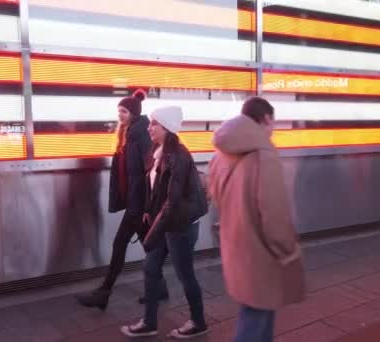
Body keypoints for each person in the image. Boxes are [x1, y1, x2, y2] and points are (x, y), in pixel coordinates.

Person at [208, 97, 305, 342]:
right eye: (273, 123)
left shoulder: (221, 153)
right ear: (266, 119)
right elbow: (274, 214)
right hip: (261, 251)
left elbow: (217, 197)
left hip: (236, 245)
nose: (273, 130)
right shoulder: (264, 155)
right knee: (256, 316)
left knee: (257, 310)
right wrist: (288, 251)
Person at [120, 106, 209, 339]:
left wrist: (151, 235)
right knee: (150, 268)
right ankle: (149, 322)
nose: (149, 127)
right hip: (164, 220)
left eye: (154, 124)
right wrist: (149, 211)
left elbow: (172, 201)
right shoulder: (159, 151)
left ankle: (199, 322)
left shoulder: (179, 156)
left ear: (167, 128)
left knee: (185, 274)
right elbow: (157, 189)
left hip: (180, 225)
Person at [75, 89, 168, 310]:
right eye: (119, 111)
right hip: (136, 201)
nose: (120, 115)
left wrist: (144, 205)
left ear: (134, 113)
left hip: (139, 203)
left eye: (124, 111)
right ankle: (159, 288)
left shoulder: (139, 134)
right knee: (149, 247)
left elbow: (147, 171)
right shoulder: (130, 132)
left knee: (122, 244)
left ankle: (104, 293)